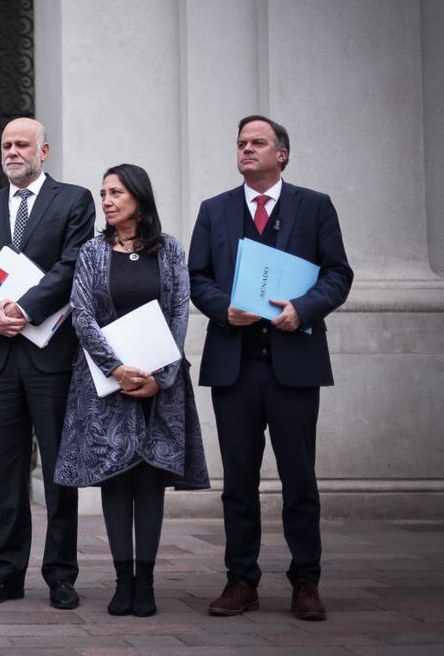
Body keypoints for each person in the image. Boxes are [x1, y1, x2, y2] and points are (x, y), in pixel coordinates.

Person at [189, 115, 352, 621]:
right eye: (240, 143)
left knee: (299, 478)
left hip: (294, 366)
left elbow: (338, 273)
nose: (246, 149)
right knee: (238, 481)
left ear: (282, 153)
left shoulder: (314, 206)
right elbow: (198, 277)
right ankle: (241, 581)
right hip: (235, 367)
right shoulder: (214, 210)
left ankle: (306, 581)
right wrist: (223, 308)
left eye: (257, 142)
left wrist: (303, 309)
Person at [54, 164, 209, 617]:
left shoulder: (171, 250)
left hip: (159, 387)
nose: (107, 200)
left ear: (139, 197)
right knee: (116, 478)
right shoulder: (92, 251)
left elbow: (180, 310)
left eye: (116, 192)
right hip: (106, 385)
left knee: (150, 480)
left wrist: (159, 374)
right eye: (103, 193)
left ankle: (147, 582)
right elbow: (81, 314)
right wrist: (118, 369)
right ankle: (123, 581)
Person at [0, 117, 95, 609]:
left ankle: (61, 574)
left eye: (22, 144)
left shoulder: (74, 200)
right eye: (6, 145)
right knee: (6, 471)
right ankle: (7, 574)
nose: (12, 151)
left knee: (60, 469)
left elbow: (73, 263)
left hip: (50, 358)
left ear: (44, 151)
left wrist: (24, 307)